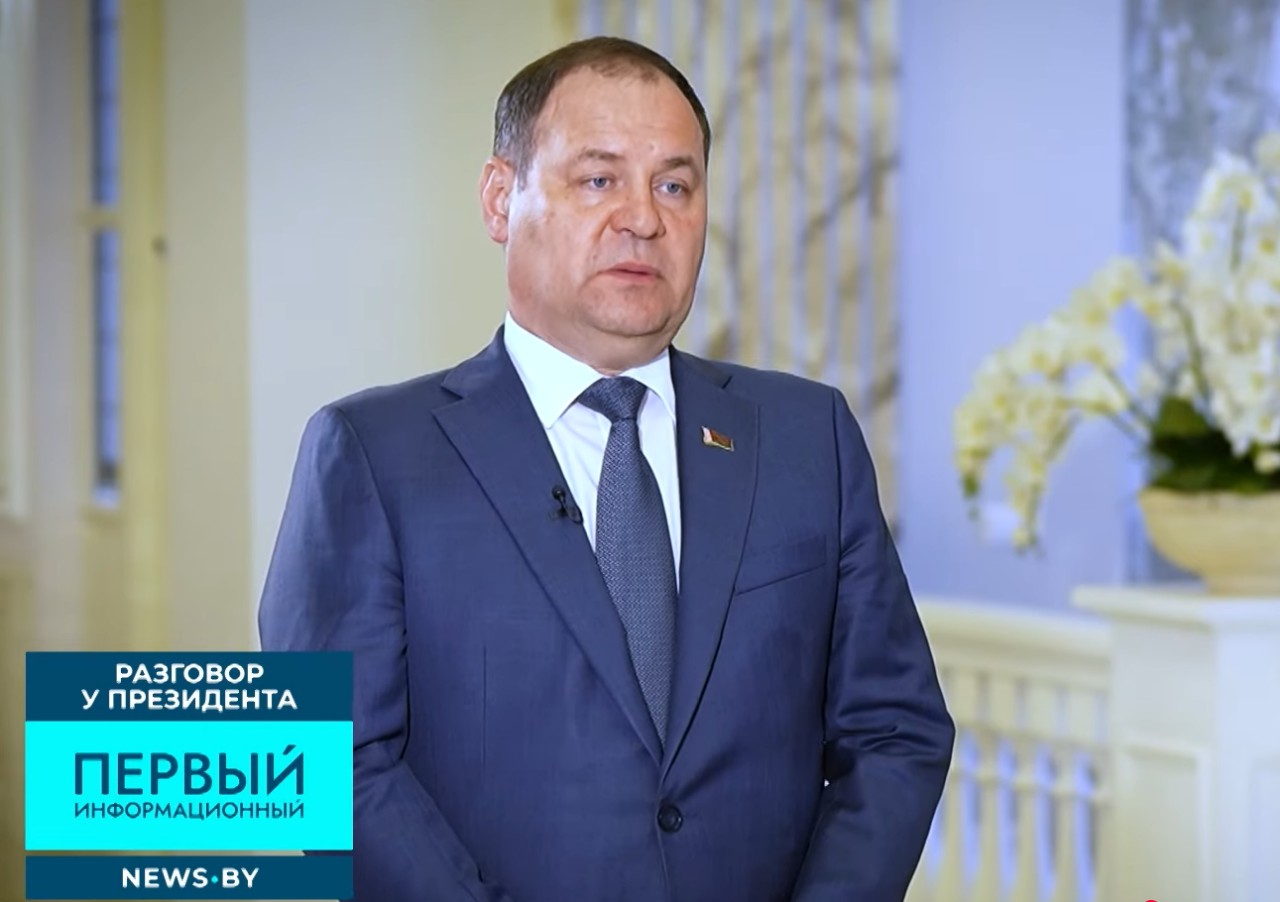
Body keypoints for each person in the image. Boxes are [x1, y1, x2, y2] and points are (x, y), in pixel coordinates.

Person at [258, 35, 954, 902]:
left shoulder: (809, 438)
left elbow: (894, 730)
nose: (643, 218)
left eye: (675, 185)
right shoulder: (372, 455)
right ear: (500, 199)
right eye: (598, 179)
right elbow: (330, 762)